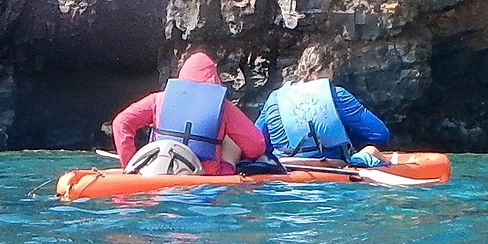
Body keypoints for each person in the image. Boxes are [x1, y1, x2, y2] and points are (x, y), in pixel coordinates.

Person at [111, 51, 267, 176]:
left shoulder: (158, 99)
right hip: (207, 174)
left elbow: (121, 123)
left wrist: (130, 165)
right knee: (231, 142)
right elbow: (257, 145)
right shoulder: (223, 107)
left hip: (159, 168)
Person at [257, 44, 392, 162]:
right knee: (370, 150)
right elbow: (380, 134)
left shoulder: (274, 98)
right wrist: (347, 136)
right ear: (330, 67)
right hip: (331, 166)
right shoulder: (338, 95)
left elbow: (257, 141)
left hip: (284, 170)